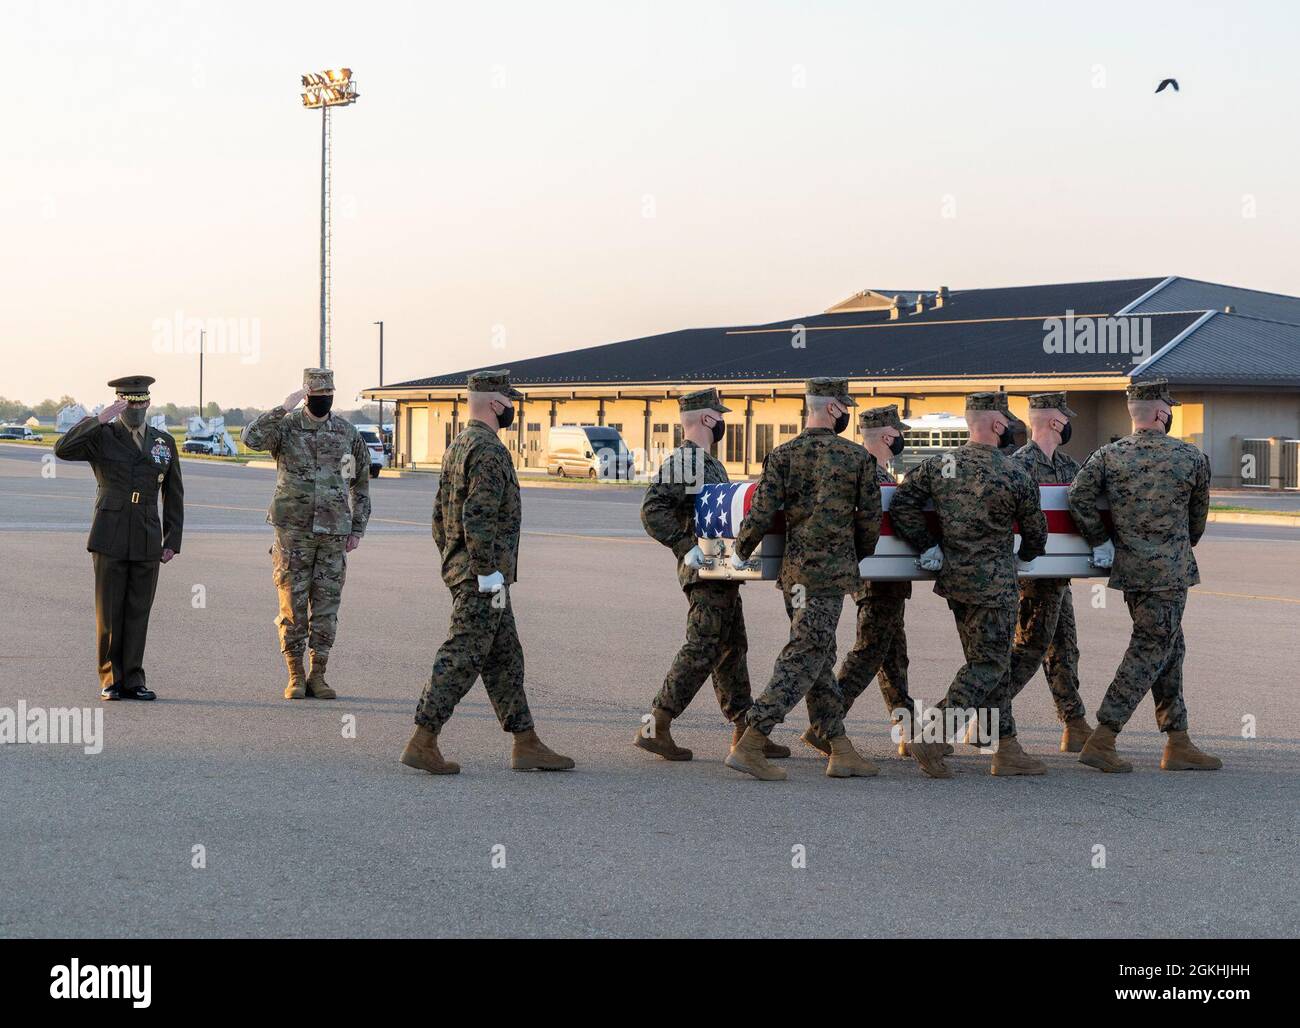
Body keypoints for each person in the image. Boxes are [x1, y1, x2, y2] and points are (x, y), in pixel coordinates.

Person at [400, 369, 574, 775]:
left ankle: (526, 743)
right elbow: (477, 515)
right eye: (510, 401)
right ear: (497, 404)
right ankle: (423, 739)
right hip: (484, 576)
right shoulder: (490, 451)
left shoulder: (458, 445)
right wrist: (482, 569)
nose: (513, 408)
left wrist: (453, 559)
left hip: (476, 572)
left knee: (505, 658)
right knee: (463, 654)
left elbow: (438, 517)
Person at [727, 377, 882, 782]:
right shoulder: (857, 458)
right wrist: (855, 556)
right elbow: (869, 522)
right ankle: (753, 739)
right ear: (833, 408)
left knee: (819, 657)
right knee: (805, 656)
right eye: (845, 405)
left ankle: (840, 748)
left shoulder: (783, 454)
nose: (848, 412)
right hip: (829, 577)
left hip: (794, 574)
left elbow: (760, 512)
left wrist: (741, 549)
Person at [889, 391, 1048, 778]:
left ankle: (1006, 748)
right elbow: (1036, 534)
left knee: (990, 665)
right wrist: (1024, 557)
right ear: (997, 424)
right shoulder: (1014, 472)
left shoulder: (941, 463)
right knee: (989, 664)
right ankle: (932, 733)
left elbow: (901, 505)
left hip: (955, 581)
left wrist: (929, 545)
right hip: (994, 584)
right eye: (1007, 421)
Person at [1069, 379, 1220, 773]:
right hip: (1170, 572)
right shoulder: (1191, 457)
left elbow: (1078, 496)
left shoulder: (1108, 455)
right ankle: (1104, 737)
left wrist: (1101, 539)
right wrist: (1177, 544)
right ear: (1160, 414)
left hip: (1131, 571)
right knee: (1149, 650)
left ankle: (1178, 740)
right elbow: (1198, 522)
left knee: (1170, 648)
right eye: (1169, 410)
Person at [634, 387, 788, 761]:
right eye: (719, 415)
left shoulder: (706, 462)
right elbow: (652, 510)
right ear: (707, 419)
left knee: (732, 647)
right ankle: (657, 723)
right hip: (702, 571)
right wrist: (684, 547)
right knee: (702, 646)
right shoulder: (686, 461)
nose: (722, 422)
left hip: (719, 571)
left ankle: (745, 727)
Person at [243, 368, 371, 699]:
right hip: (292, 535)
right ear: (305, 394)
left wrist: (357, 529)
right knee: (292, 609)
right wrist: (282, 408)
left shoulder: (346, 433)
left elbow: (360, 485)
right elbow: (250, 439)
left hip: (333, 535)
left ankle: (319, 674)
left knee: (327, 609)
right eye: (316, 395)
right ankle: (295, 674)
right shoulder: (285, 429)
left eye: (328, 393)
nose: (323, 399)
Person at [53, 375, 183, 701]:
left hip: (146, 534)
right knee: (109, 612)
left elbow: (174, 493)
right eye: (128, 402)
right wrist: (97, 419)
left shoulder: (163, 442)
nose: (136, 408)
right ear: (118, 403)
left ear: (149, 403)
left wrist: (171, 540)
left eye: (141, 402)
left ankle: (134, 679)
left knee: (139, 611)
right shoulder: (102, 436)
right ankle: (110, 679)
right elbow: (62, 448)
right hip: (109, 533)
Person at [802, 404, 918, 759]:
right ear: (887, 436)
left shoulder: (861, 471)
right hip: (878, 577)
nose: (901, 440)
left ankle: (908, 729)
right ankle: (825, 724)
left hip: (881, 576)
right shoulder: (872, 476)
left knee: (892, 656)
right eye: (899, 434)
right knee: (868, 651)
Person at [1005, 392, 1093, 752]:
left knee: (1064, 649)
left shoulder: (1071, 467)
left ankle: (1074, 723)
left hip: (1059, 577)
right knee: (1028, 650)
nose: (1069, 423)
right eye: (1065, 417)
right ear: (1056, 422)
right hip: (1030, 578)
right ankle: (981, 710)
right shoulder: (1018, 465)